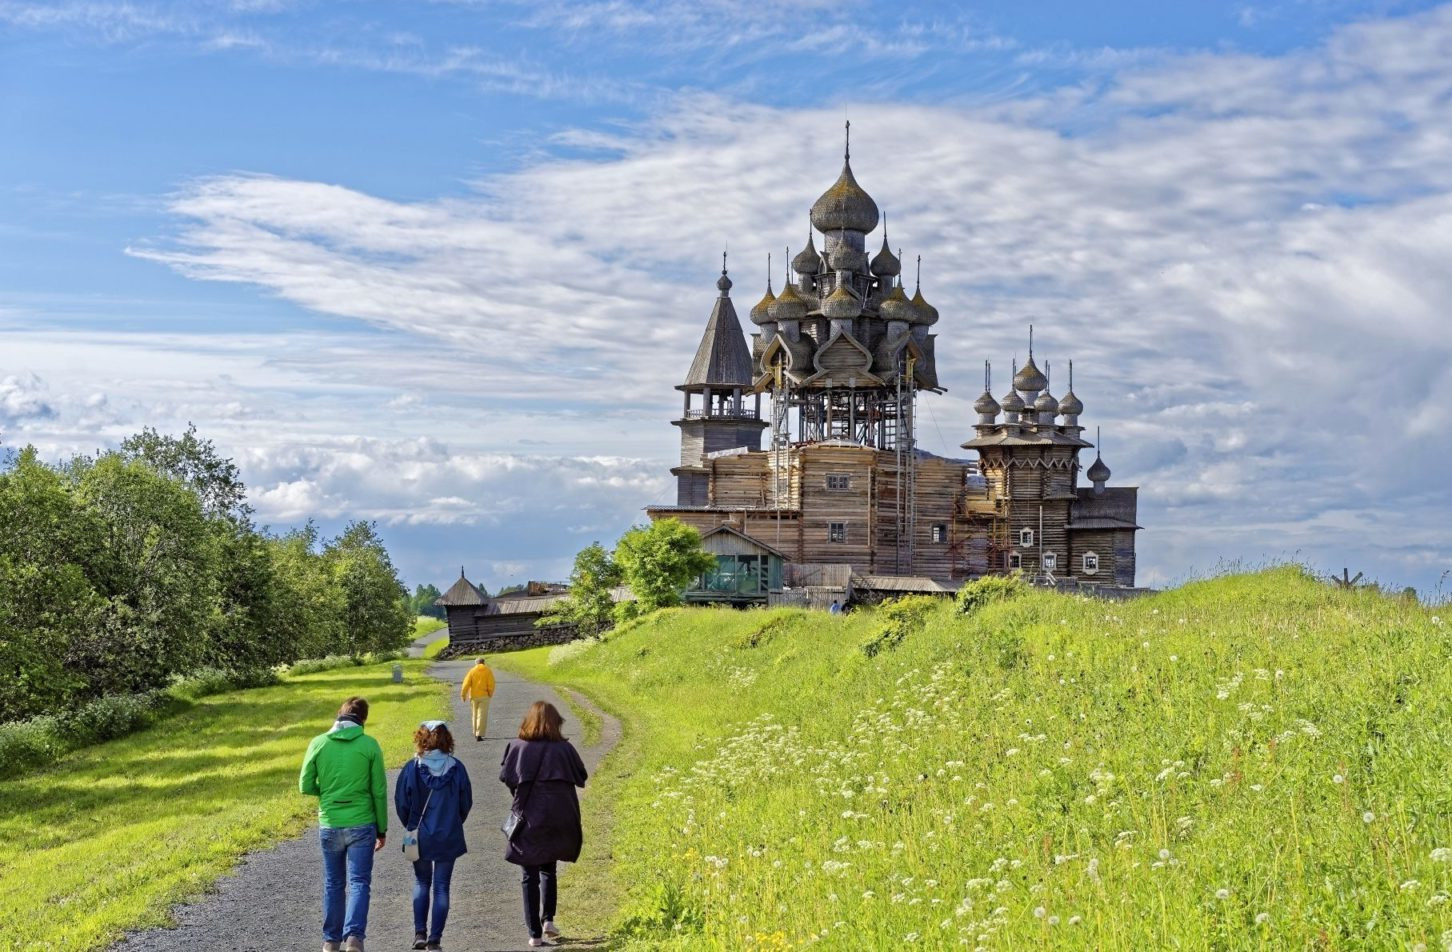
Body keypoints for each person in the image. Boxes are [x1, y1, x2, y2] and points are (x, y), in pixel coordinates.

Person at [299, 697, 388, 952]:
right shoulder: (370, 745)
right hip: (362, 823)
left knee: (333, 882)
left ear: (339, 714)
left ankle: (330, 941)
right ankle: (354, 939)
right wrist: (382, 829)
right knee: (360, 881)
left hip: (330, 821)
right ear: (364, 719)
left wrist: (327, 793)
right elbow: (379, 791)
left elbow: (304, 785)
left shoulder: (318, 743)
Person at [499, 701, 588, 948]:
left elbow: (507, 778)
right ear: (555, 722)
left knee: (529, 875)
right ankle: (548, 919)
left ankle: (534, 934)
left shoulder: (517, 747)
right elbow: (581, 776)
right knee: (550, 868)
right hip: (560, 815)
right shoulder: (565, 749)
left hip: (529, 816)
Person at [395, 720, 473, 951]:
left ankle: (420, 932)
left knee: (421, 881)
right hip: (448, 833)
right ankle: (435, 939)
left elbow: (402, 802)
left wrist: (410, 824)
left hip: (420, 834)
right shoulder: (457, 768)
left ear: (421, 739)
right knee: (441, 886)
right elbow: (465, 802)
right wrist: (455, 821)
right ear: (447, 740)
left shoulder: (412, 768)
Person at [460, 657, 496, 741]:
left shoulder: (472, 671)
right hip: (484, 696)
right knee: (482, 715)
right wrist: (490, 694)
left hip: (474, 696)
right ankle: (479, 734)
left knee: (474, 715)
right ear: (484, 663)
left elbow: (466, 684)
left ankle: (475, 732)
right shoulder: (488, 671)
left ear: (476, 663)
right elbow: (491, 684)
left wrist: (463, 695)